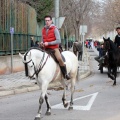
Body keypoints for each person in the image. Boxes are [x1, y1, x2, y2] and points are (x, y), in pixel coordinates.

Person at [40, 15, 70, 80]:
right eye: (46, 20)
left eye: (48, 20)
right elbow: (42, 39)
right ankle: (39, 76)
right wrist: (42, 43)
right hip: (45, 48)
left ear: (51, 21)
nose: (47, 22)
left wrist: (49, 43)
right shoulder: (43, 29)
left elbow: (58, 40)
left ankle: (65, 74)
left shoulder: (55, 29)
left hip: (54, 48)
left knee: (59, 59)